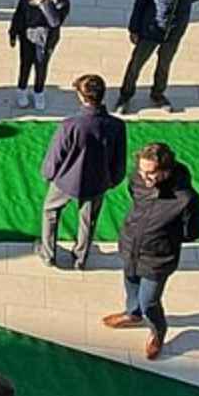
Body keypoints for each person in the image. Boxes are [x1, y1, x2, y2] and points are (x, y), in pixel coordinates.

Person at [104, 142, 199, 360]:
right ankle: (132, 314)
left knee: (150, 301)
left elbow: (194, 230)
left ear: (166, 172)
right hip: (131, 247)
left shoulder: (185, 199)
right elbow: (134, 195)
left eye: (150, 174)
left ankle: (158, 331)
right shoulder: (137, 179)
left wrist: (166, 239)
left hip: (158, 259)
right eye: (141, 170)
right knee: (130, 283)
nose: (143, 177)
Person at [38, 73, 124, 271]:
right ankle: (80, 258)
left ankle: (48, 253)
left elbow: (56, 155)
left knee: (50, 212)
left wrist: (49, 173)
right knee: (88, 221)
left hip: (66, 181)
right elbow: (118, 158)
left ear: (82, 97)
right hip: (98, 182)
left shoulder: (70, 125)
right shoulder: (116, 125)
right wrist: (113, 179)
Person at [117, 0, 199, 114]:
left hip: (173, 34)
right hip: (150, 31)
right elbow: (140, 3)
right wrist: (134, 28)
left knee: (164, 65)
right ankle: (125, 95)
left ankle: (158, 94)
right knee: (136, 65)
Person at [8, 0, 71, 110]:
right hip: (27, 35)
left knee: (41, 66)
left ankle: (39, 91)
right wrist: (13, 32)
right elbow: (19, 13)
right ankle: (22, 90)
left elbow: (55, 22)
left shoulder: (61, 1)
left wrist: (43, 2)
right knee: (25, 64)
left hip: (45, 39)